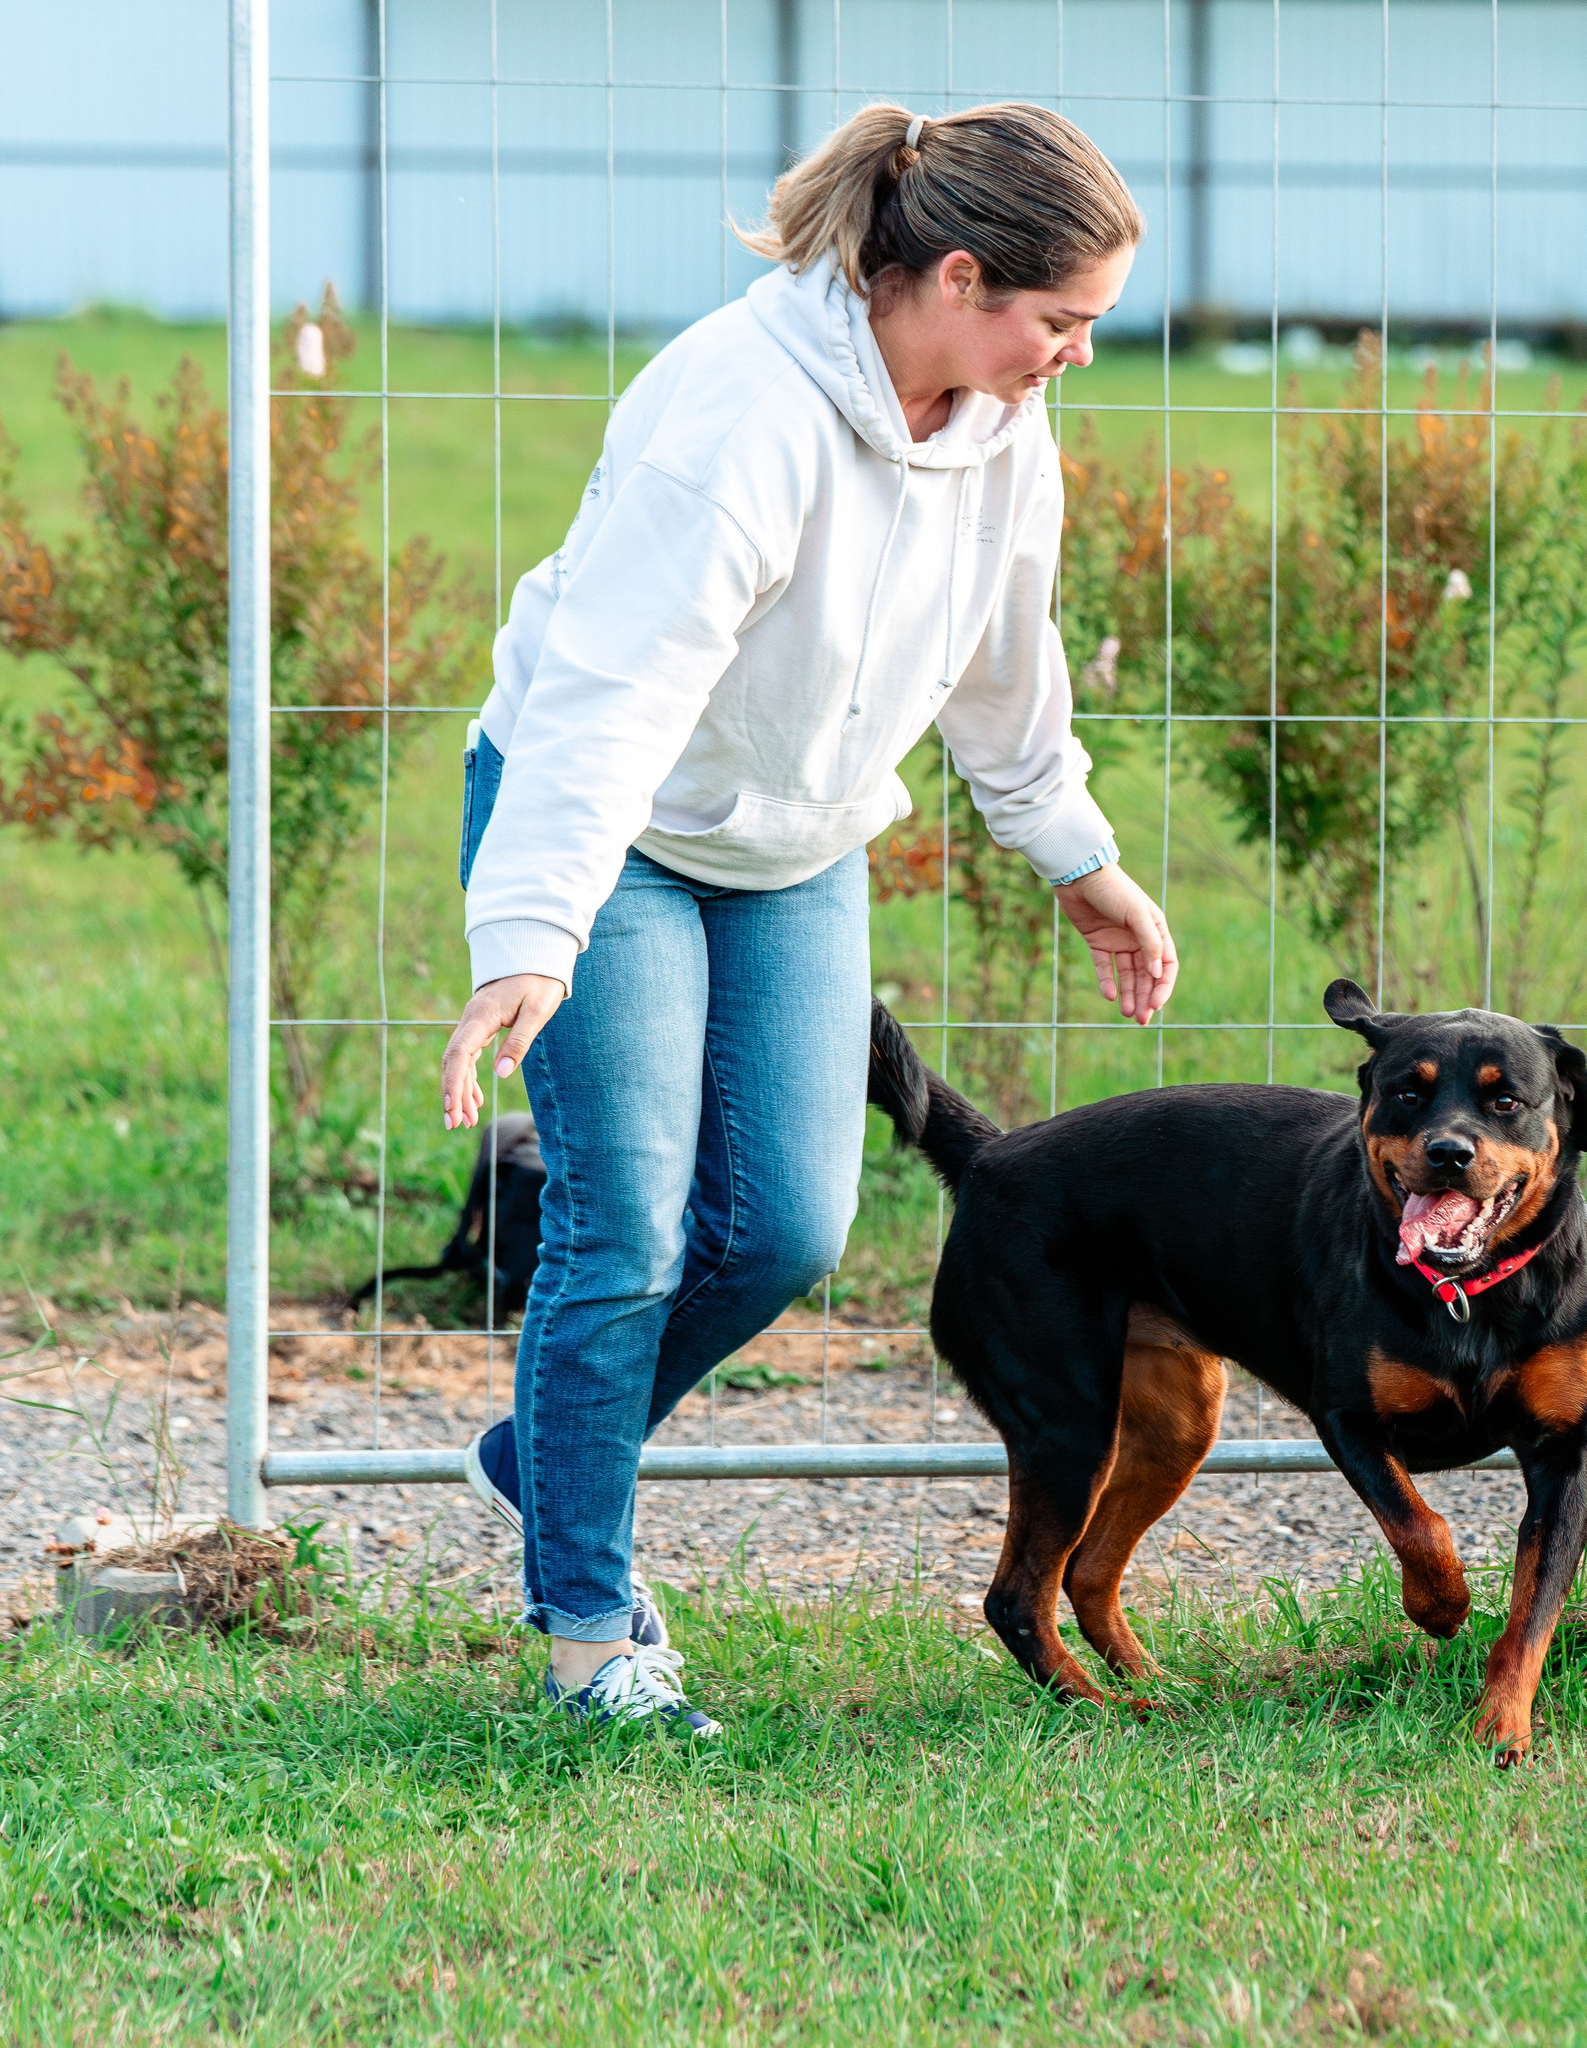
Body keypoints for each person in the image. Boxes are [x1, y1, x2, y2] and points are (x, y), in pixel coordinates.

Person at [438, 101, 1178, 1729]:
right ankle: (591, 1639)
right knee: (621, 1230)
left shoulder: (998, 422)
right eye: (1064, 323)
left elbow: (1007, 660)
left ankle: (540, 1455)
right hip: (613, 828)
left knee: (783, 1231)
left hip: (796, 844)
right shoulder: (739, 415)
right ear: (963, 276)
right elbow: (607, 702)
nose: (1078, 356)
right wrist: (535, 934)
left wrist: (1077, 855)